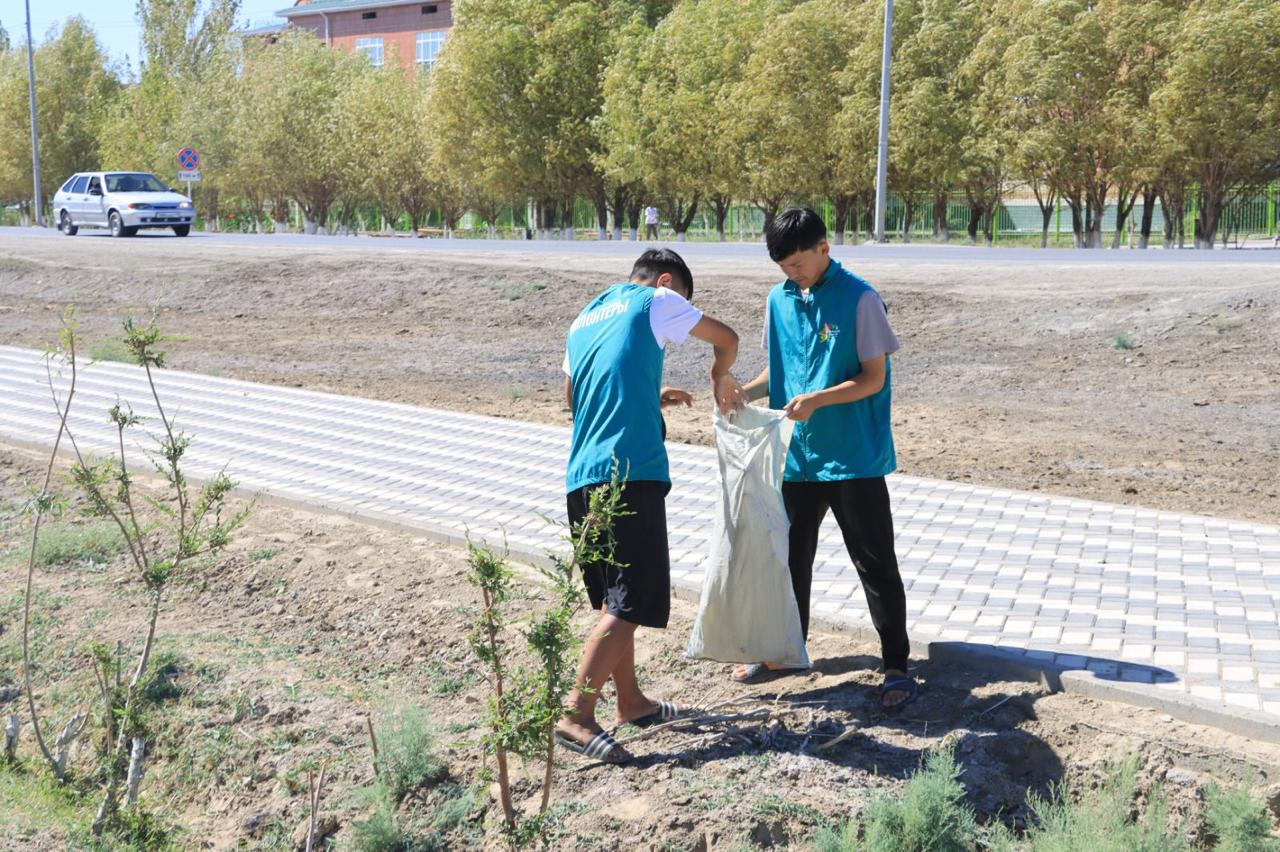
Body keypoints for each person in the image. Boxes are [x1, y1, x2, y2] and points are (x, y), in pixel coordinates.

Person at [557, 247, 747, 763]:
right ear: (666, 281)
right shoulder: (655, 299)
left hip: (581, 478)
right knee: (632, 601)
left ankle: (632, 702)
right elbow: (727, 338)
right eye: (683, 303)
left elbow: (577, 402)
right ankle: (577, 713)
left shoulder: (583, 319)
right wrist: (719, 376)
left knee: (611, 602)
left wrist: (646, 393)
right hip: (629, 474)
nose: (678, 317)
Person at [735, 208, 916, 711]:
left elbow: (873, 378)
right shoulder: (779, 299)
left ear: (824, 248)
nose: (792, 273)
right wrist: (743, 394)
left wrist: (817, 400)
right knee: (789, 558)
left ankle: (897, 666)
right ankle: (785, 652)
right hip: (798, 458)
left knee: (875, 563)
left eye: (799, 262)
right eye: (783, 266)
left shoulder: (860, 298)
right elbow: (781, 371)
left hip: (853, 457)